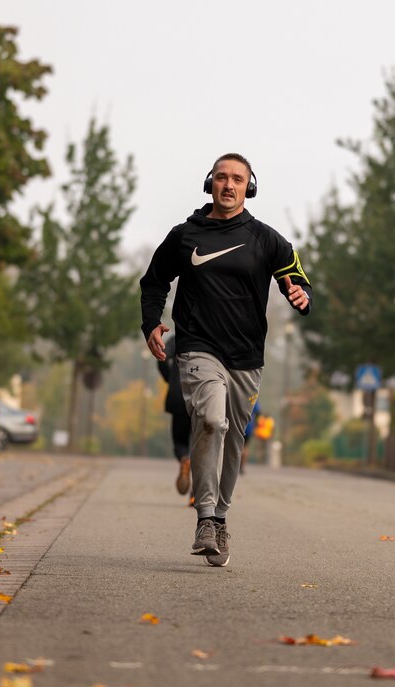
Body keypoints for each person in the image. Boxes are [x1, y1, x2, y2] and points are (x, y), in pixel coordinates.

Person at [140, 153, 312, 567]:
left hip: (247, 355)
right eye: (222, 177)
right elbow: (154, 281)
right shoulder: (185, 235)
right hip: (197, 346)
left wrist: (301, 295)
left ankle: (220, 519)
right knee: (212, 421)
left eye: (237, 179)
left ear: (249, 187)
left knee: (234, 442)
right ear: (210, 183)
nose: (229, 185)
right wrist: (152, 323)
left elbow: (297, 276)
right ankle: (203, 517)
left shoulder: (267, 240)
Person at [157, 333, 193, 500]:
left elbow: (162, 356)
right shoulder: (211, 332)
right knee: (203, 446)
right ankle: (198, 496)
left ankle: (185, 459)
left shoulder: (179, 337)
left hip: (178, 395)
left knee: (179, 442)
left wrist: (170, 379)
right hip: (204, 396)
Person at [239, 399, 262, 474]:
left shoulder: (238, 393)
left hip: (237, 425)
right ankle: (242, 467)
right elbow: (258, 413)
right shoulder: (253, 396)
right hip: (249, 427)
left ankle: (235, 465)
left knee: (237, 446)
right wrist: (255, 425)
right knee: (245, 447)